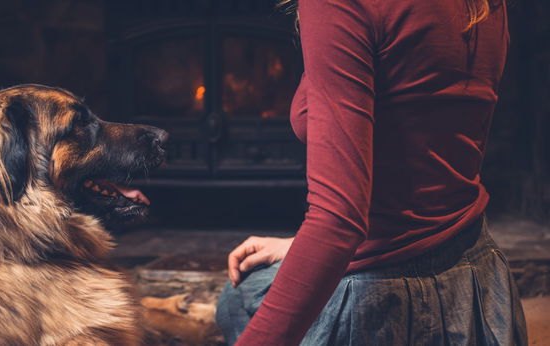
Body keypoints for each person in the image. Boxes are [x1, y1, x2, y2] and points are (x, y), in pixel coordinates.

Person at [215, 0, 528, 345]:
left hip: (382, 300)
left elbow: (338, 221)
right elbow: (430, 157)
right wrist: (299, 248)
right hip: (476, 282)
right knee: (247, 287)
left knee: (237, 301)